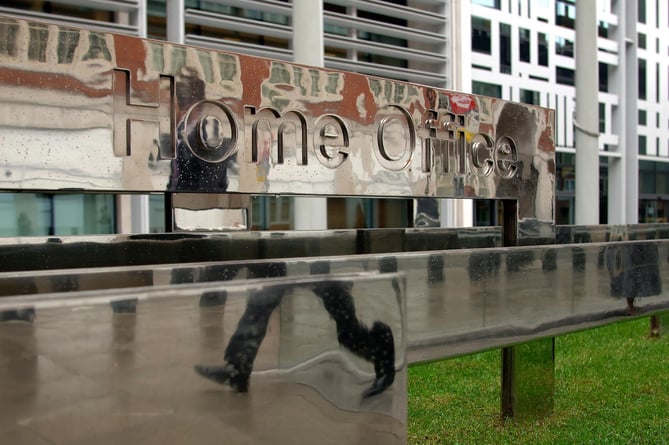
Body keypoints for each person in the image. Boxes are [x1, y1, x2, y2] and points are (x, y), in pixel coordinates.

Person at [194, 260, 396, 398]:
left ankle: (380, 349)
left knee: (343, 321)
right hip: (289, 256)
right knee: (259, 306)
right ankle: (237, 369)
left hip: (316, 259)